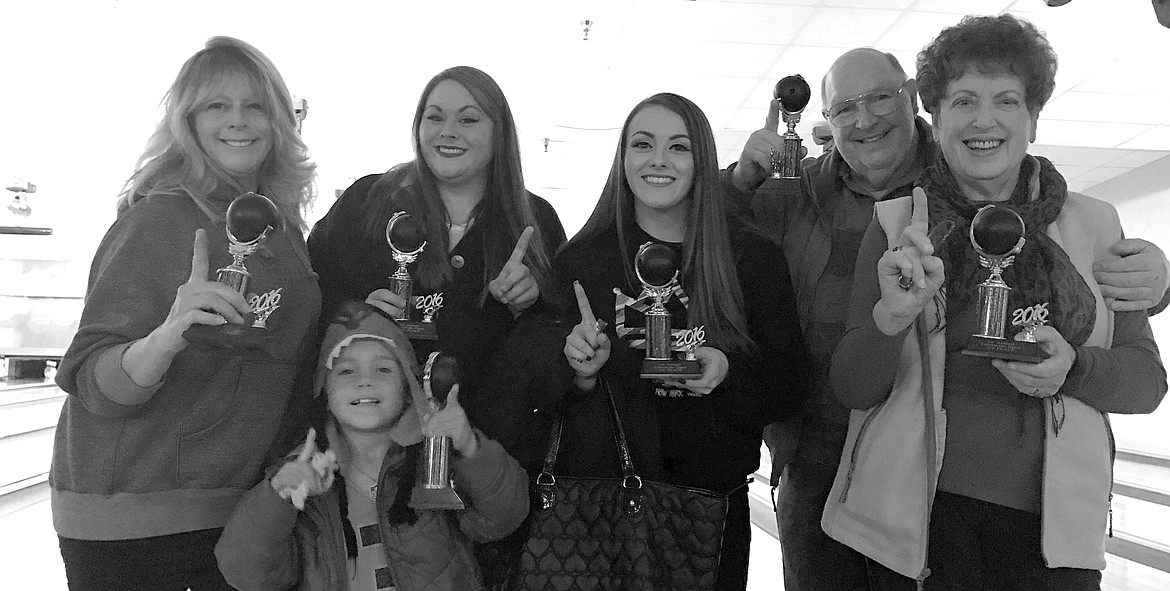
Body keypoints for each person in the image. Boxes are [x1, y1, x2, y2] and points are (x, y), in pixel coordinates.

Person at [721, 46, 1170, 591]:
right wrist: (741, 180)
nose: (864, 119)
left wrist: (1151, 288)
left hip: (1025, 515)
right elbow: (701, 250)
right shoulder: (807, 197)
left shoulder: (1072, 218)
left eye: (881, 99)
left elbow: (1136, 365)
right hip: (832, 459)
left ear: (915, 102)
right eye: (844, 109)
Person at [51, 36, 320, 590]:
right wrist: (165, 339)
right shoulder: (159, 219)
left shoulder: (285, 231)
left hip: (241, 505)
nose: (238, 121)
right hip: (134, 512)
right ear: (188, 122)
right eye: (216, 105)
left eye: (255, 105)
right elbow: (88, 375)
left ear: (278, 119)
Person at [306, 65, 570, 587]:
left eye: (468, 118)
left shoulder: (533, 220)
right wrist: (357, 313)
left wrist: (530, 305)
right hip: (375, 465)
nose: (448, 131)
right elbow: (311, 295)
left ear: (500, 134)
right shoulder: (368, 202)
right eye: (435, 116)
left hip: (485, 465)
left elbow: (556, 352)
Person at [558, 93, 805, 591]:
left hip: (710, 509)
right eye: (642, 145)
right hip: (597, 505)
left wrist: (726, 371)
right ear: (623, 159)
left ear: (702, 161)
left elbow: (791, 385)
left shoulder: (750, 258)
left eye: (678, 147)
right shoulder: (581, 262)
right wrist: (578, 371)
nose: (658, 160)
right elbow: (542, 398)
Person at [215, 301, 530, 591]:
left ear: (408, 387)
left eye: (383, 369)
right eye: (346, 371)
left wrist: (469, 446)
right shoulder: (300, 471)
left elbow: (503, 518)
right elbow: (246, 573)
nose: (364, 381)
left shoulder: (438, 453)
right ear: (323, 390)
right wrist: (279, 494)